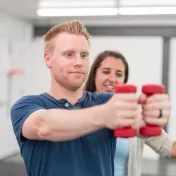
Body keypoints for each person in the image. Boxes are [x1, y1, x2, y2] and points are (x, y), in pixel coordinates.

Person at [10, 20, 171, 176]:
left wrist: (155, 112)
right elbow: (43, 126)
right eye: (69, 54)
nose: (79, 62)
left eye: (84, 55)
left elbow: (139, 119)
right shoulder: (26, 105)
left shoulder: (106, 101)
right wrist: (104, 115)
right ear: (48, 59)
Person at [85, 50, 175, 176]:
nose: (112, 79)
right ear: (94, 75)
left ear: (124, 81)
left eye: (119, 74)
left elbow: (170, 147)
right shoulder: (78, 110)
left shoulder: (135, 117)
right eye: (106, 72)